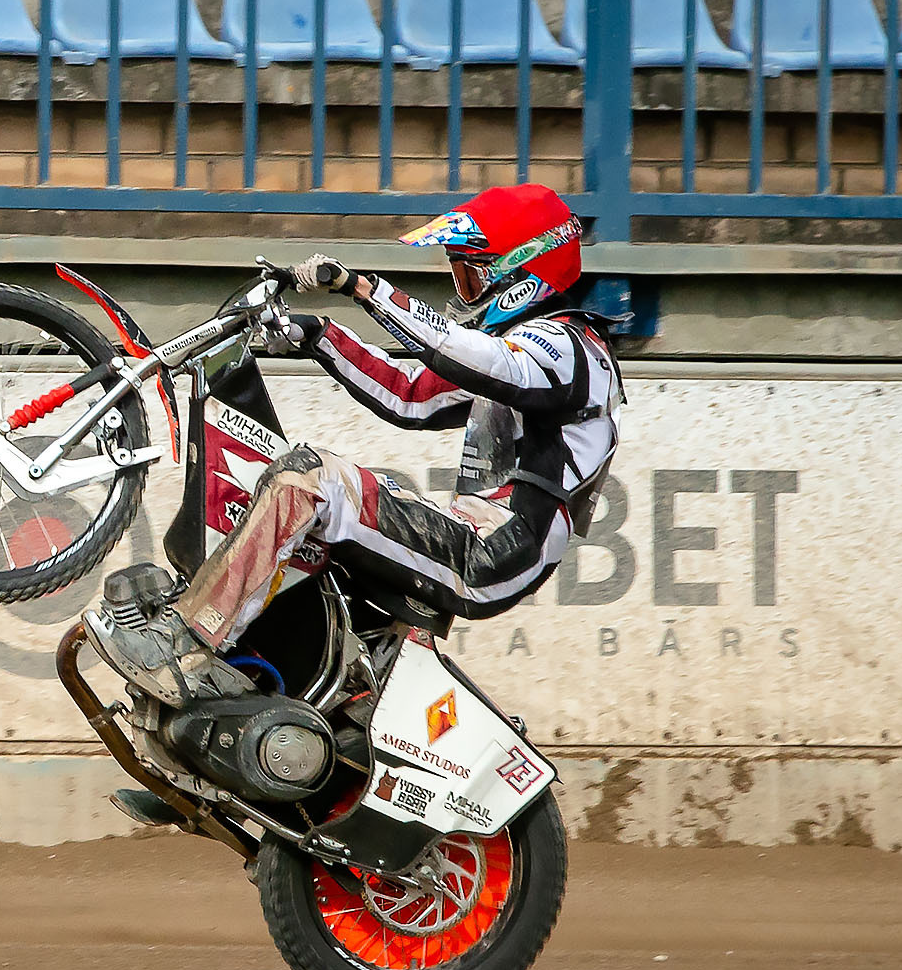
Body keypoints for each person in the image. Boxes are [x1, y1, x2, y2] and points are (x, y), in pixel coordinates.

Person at [89, 181, 625, 708]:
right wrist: (317, 334)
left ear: (522, 269)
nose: (463, 290)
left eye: (470, 273)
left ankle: (187, 648)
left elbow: (465, 356)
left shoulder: (566, 349)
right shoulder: (526, 353)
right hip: (474, 533)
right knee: (289, 487)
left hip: (495, 551)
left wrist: (362, 288)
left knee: (310, 479)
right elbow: (410, 395)